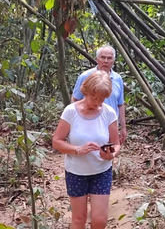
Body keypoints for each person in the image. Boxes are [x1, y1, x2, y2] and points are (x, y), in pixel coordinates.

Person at [53, 70, 121, 229]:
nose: (97, 102)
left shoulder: (109, 113)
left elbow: (116, 144)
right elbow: (57, 141)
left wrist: (111, 154)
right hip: (76, 173)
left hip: (101, 172)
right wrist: (78, 149)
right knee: (79, 219)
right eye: (94, 97)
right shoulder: (70, 111)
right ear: (86, 92)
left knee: (100, 219)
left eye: (102, 98)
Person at [72, 45, 127, 144]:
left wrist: (123, 127)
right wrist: (74, 123)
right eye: (103, 57)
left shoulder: (118, 79)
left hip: (110, 124)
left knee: (108, 152)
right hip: (88, 122)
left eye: (109, 58)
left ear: (113, 60)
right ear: (97, 59)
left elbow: (120, 104)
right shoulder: (85, 76)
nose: (106, 61)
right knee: (88, 150)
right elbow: (75, 100)